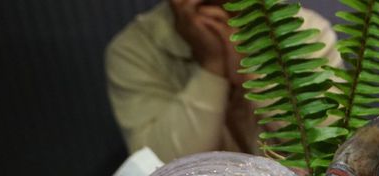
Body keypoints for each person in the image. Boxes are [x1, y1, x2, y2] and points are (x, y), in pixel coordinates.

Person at [106, 0, 340, 162]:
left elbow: (329, 153)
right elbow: (159, 171)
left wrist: (248, 69)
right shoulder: (135, 50)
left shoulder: (308, 32)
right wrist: (212, 68)